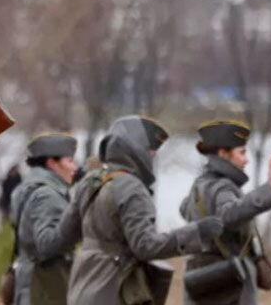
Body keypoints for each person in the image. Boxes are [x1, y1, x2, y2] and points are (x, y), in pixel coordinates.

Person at [65, 116, 225, 305]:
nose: (152, 157)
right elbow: (145, 246)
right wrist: (197, 232)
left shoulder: (91, 182)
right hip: (114, 292)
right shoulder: (131, 187)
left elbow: (65, 235)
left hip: (81, 291)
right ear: (135, 148)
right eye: (150, 151)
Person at [179, 119, 271, 305]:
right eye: (241, 152)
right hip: (228, 285)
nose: (246, 159)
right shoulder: (223, 186)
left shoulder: (200, 184)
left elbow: (184, 209)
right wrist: (268, 189)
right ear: (223, 154)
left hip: (199, 279)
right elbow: (227, 216)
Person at [10, 133, 80, 305]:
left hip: (30, 284)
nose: (75, 167)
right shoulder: (47, 195)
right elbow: (47, 244)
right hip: (44, 289)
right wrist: (77, 221)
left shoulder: (26, 189)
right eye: (70, 161)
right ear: (52, 163)